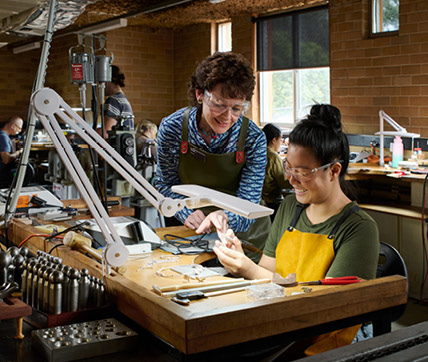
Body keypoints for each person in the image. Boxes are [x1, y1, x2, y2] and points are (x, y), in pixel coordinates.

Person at [212, 106, 380, 355]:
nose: (291, 180)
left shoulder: (359, 229)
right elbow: (269, 273)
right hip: (284, 326)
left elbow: (325, 308)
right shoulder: (291, 206)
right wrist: (242, 260)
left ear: (334, 170)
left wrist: (249, 269)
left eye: (302, 172)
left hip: (327, 343)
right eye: (288, 168)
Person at [153, 52, 271, 235]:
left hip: (243, 235)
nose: (227, 116)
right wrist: (185, 213)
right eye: (218, 104)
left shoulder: (253, 138)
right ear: (199, 94)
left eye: (237, 108)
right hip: (193, 228)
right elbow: (165, 184)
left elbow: (249, 201)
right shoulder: (173, 128)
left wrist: (224, 218)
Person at [258, 123, 292, 209]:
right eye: (280, 140)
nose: (280, 143)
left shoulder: (258, 151)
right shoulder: (273, 157)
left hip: (258, 199)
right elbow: (284, 183)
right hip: (271, 201)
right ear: (273, 140)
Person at [0, 116, 24, 189]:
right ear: (13, 126)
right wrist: (19, 152)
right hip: (0, 172)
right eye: (19, 128)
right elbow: (6, 160)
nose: (19, 131)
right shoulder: (2, 137)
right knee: (24, 176)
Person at [102, 65, 134, 135]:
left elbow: (105, 133)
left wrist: (82, 133)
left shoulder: (113, 101)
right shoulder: (123, 99)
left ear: (107, 81)